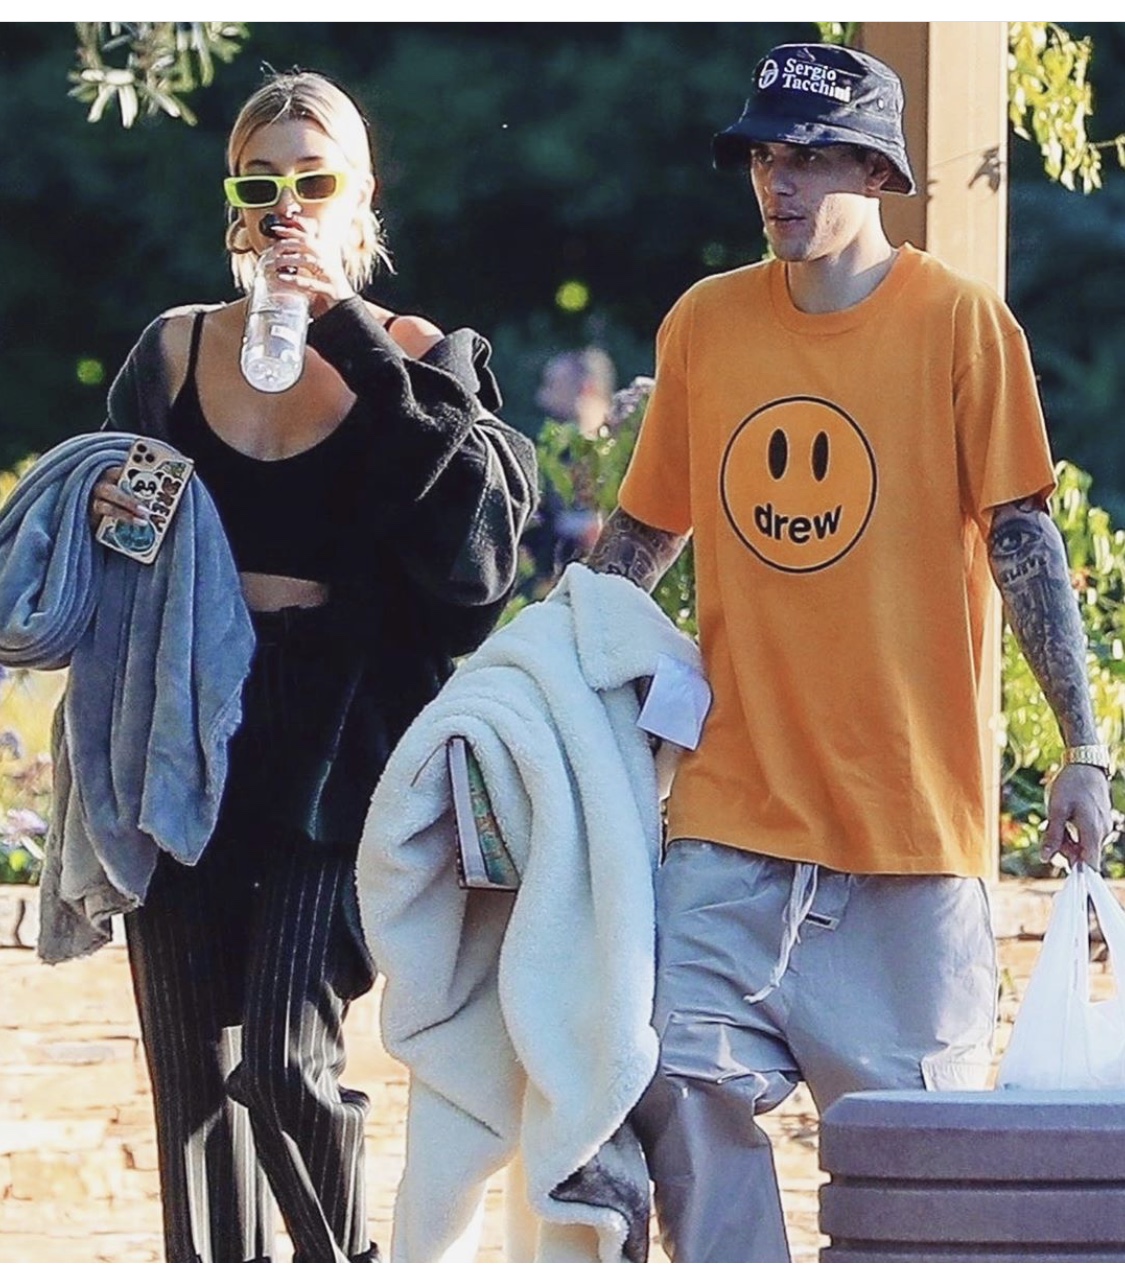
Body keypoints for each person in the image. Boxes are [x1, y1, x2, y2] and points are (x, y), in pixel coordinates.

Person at [585, 42, 1117, 1262]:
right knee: (667, 1082)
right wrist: (536, 694)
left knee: (919, 1202)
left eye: (811, 158)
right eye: (764, 157)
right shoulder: (707, 324)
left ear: (878, 172)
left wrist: (1084, 747)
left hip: (910, 846)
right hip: (730, 827)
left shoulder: (961, 325)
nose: (778, 183)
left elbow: (1025, 538)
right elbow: (644, 535)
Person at [87, 70, 536, 1263]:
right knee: (192, 1079)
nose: (286, 206)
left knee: (285, 1055)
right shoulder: (173, 349)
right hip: (188, 724)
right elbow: (119, 545)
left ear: (360, 194)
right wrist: (104, 515)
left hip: (343, 742)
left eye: (313, 179)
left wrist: (348, 333)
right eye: (260, 184)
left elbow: (475, 568)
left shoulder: (422, 354)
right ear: (233, 202)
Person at [523, 347, 616, 591]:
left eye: (554, 386)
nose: (542, 397)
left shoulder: (627, 449)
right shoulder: (550, 456)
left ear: (587, 388)